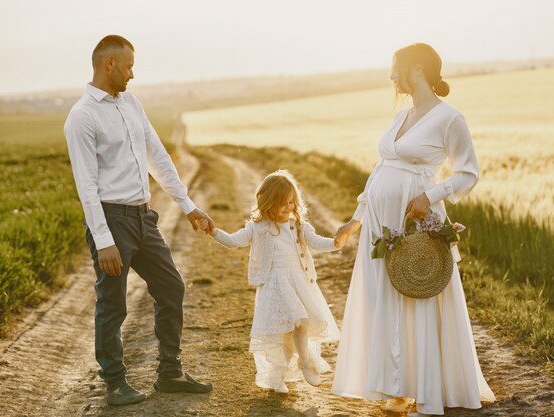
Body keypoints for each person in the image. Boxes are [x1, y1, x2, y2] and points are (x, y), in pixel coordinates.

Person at [331, 43, 496, 416]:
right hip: (380, 223)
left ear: (417, 69)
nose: (391, 77)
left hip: (416, 219)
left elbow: (468, 172)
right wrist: (356, 218)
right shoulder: (401, 117)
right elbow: (381, 168)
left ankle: (425, 391)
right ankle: (396, 386)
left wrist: (430, 194)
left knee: (416, 293)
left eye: (395, 68)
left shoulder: (449, 118)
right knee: (383, 297)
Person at [64, 35, 214, 406]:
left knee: (171, 287)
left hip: (143, 218)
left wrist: (188, 206)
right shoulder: (82, 116)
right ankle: (115, 384)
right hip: (111, 220)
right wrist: (103, 240)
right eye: (129, 66)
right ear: (109, 63)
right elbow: (86, 184)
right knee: (113, 305)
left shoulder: (131, 104)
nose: (133, 73)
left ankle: (170, 373)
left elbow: (158, 158)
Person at [198, 170, 342, 393]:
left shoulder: (299, 226)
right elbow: (234, 241)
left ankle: (279, 376)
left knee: (290, 333)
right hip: (275, 285)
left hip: (299, 282)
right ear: (268, 202)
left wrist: (335, 243)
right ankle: (299, 364)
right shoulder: (258, 227)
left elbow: (315, 242)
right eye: (282, 203)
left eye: (291, 202)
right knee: (297, 323)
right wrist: (214, 231)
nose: (288, 207)